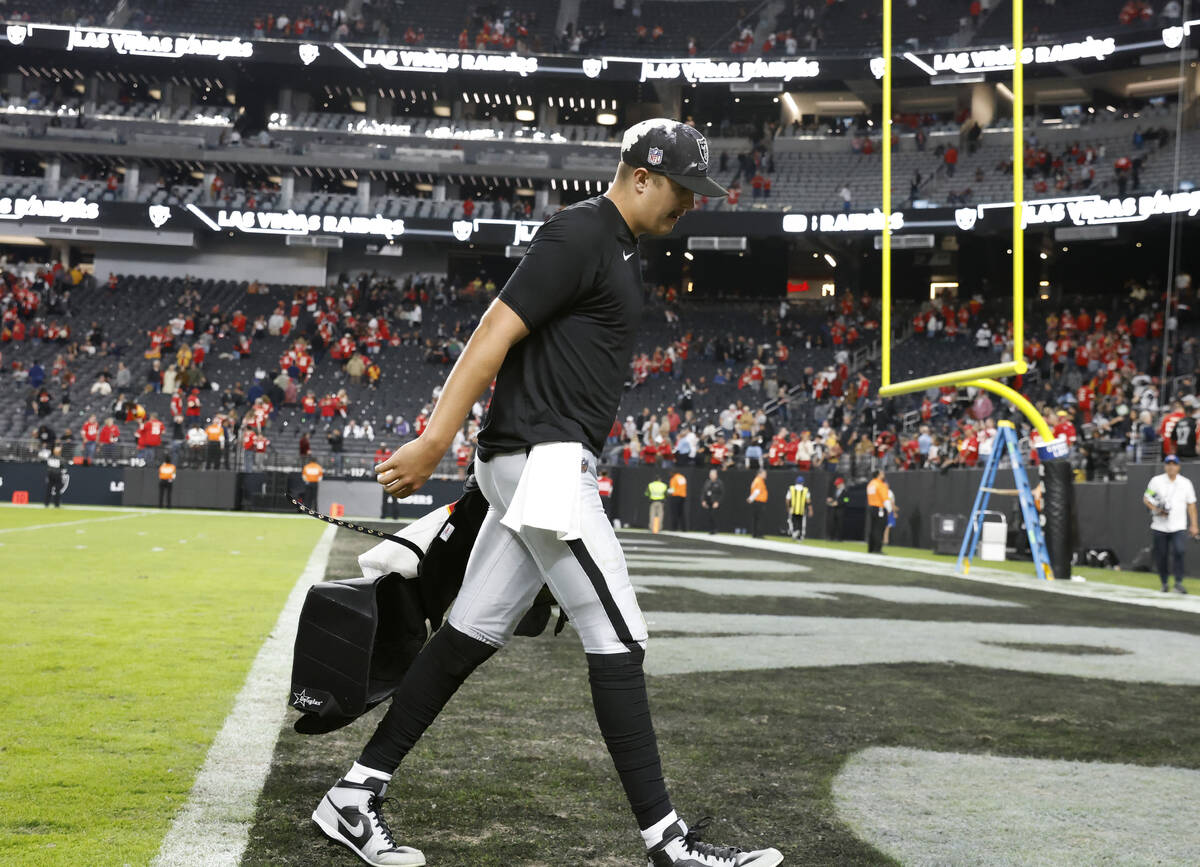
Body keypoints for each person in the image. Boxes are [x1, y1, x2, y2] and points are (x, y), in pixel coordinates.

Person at [327, 118, 780, 867]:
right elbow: (490, 335)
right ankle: (669, 844)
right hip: (542, 462)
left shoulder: (612, 244)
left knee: (471, 630)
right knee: (621, 637)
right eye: (680, 188)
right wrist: (436, 439)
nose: (688, 205)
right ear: (639, 175)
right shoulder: (582, 232)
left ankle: (354, 792)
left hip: (530, 462)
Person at [1143, 454, 1199, 593]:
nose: (1171, 467)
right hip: (1159, 525)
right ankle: (1164, 582)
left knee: (1179, 551)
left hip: (1178, 525)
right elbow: (1146, 498)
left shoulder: (1186, 483)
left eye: (1174, 464)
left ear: (1178, 466)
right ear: (1165, 466)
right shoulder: (1156, 481)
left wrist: (1194, 525)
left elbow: (1191, 505)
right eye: (1169, 464)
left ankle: (1178, 582)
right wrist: (1157, 509)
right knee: (1161, 555)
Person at [866, 469, 890, 553]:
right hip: (880, 508)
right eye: (882, 473)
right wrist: (889, 509)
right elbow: (885, 498)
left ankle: (871, 548)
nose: (883, 475)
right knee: (879, 529)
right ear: (878, 475)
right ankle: (877, 548)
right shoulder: (880, 484)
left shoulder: (871, 484)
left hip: (872, 507)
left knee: (873, 528)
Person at [786, 474, 813, 541]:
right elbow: (808, 501)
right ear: (803, 482)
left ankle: (795, 532)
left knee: (793, 521)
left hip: (793, 509)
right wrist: (810, 510)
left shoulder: (791, 488)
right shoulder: (806, 490)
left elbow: (787, 499)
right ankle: (800, 536)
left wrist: (788, 507)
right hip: (802, 509)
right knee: (801, 523)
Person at [700, 468, 723, 535]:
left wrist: (717, 502)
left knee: (714, 516)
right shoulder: (707, 482)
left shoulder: (719, 483)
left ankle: (715, 530)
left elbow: (722, 493)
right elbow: (703, 492)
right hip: (708, 501)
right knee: (709, 516)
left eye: (713, 474)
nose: (711, 476)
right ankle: (710, 530)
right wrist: (703, 500)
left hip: (715, 502)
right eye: (710, 474)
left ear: (716, 475)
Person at [747, 468, 768, 538]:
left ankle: (754, 533)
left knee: (755, 518)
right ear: (760, 474)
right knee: (759, 519)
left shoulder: (756, 480)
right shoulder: (759, 481)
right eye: (764, 474)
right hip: (759, 502)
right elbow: (757, 491)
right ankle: (759, 534)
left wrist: (751, 499)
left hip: (756, 502)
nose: (765, 475)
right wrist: (750, 499)